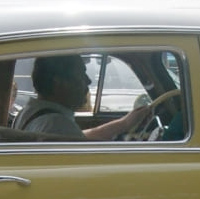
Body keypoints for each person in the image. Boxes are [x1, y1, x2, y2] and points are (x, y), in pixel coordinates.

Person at [15, 54, 148, 140]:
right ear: (59, 83)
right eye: (81, 75)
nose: (88, 81)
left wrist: (124, 123)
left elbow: (79, 137)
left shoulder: (28, 113)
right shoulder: (56, 124)